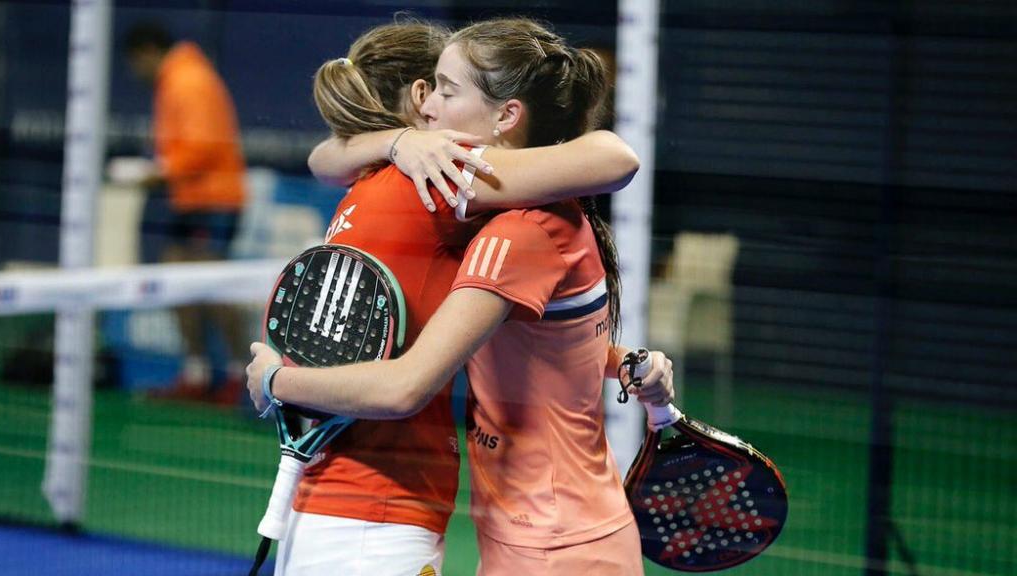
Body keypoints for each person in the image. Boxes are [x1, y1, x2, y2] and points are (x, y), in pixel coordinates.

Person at [247, 18, 675, 576]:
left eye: (450, 91)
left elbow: (617, 159)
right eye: (435, 90)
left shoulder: (450, 192)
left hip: (533, 539)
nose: (433, 110)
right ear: (415, 95)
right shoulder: (436, 183)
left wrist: (274, 380)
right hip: (487, 529)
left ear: (506, 114)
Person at [116, 22, 247, 403]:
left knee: (214, 287)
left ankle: (241, 379)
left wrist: (156, 172)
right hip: (190, 199)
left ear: (147, 53)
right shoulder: (179, 78)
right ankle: (198, 373)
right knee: (179, 280)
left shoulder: (188, 80)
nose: (134, 72)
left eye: (134, 63)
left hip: (212, 199)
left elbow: (202, 148)